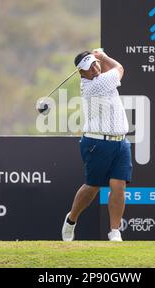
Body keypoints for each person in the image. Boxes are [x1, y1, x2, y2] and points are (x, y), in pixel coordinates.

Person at [61, 48, 132, 242]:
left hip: (120, 142)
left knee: (118, 185)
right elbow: (119, 68)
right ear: (81, 73)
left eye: (95, 64)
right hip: (96, 142)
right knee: (92, 187)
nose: (94, 69)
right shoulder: (93, 86)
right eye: (89, 68)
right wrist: (103, 56)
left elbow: (111, 72)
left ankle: (115, 231)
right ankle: (71, 219)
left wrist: (100, 60)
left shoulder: (101, 77)